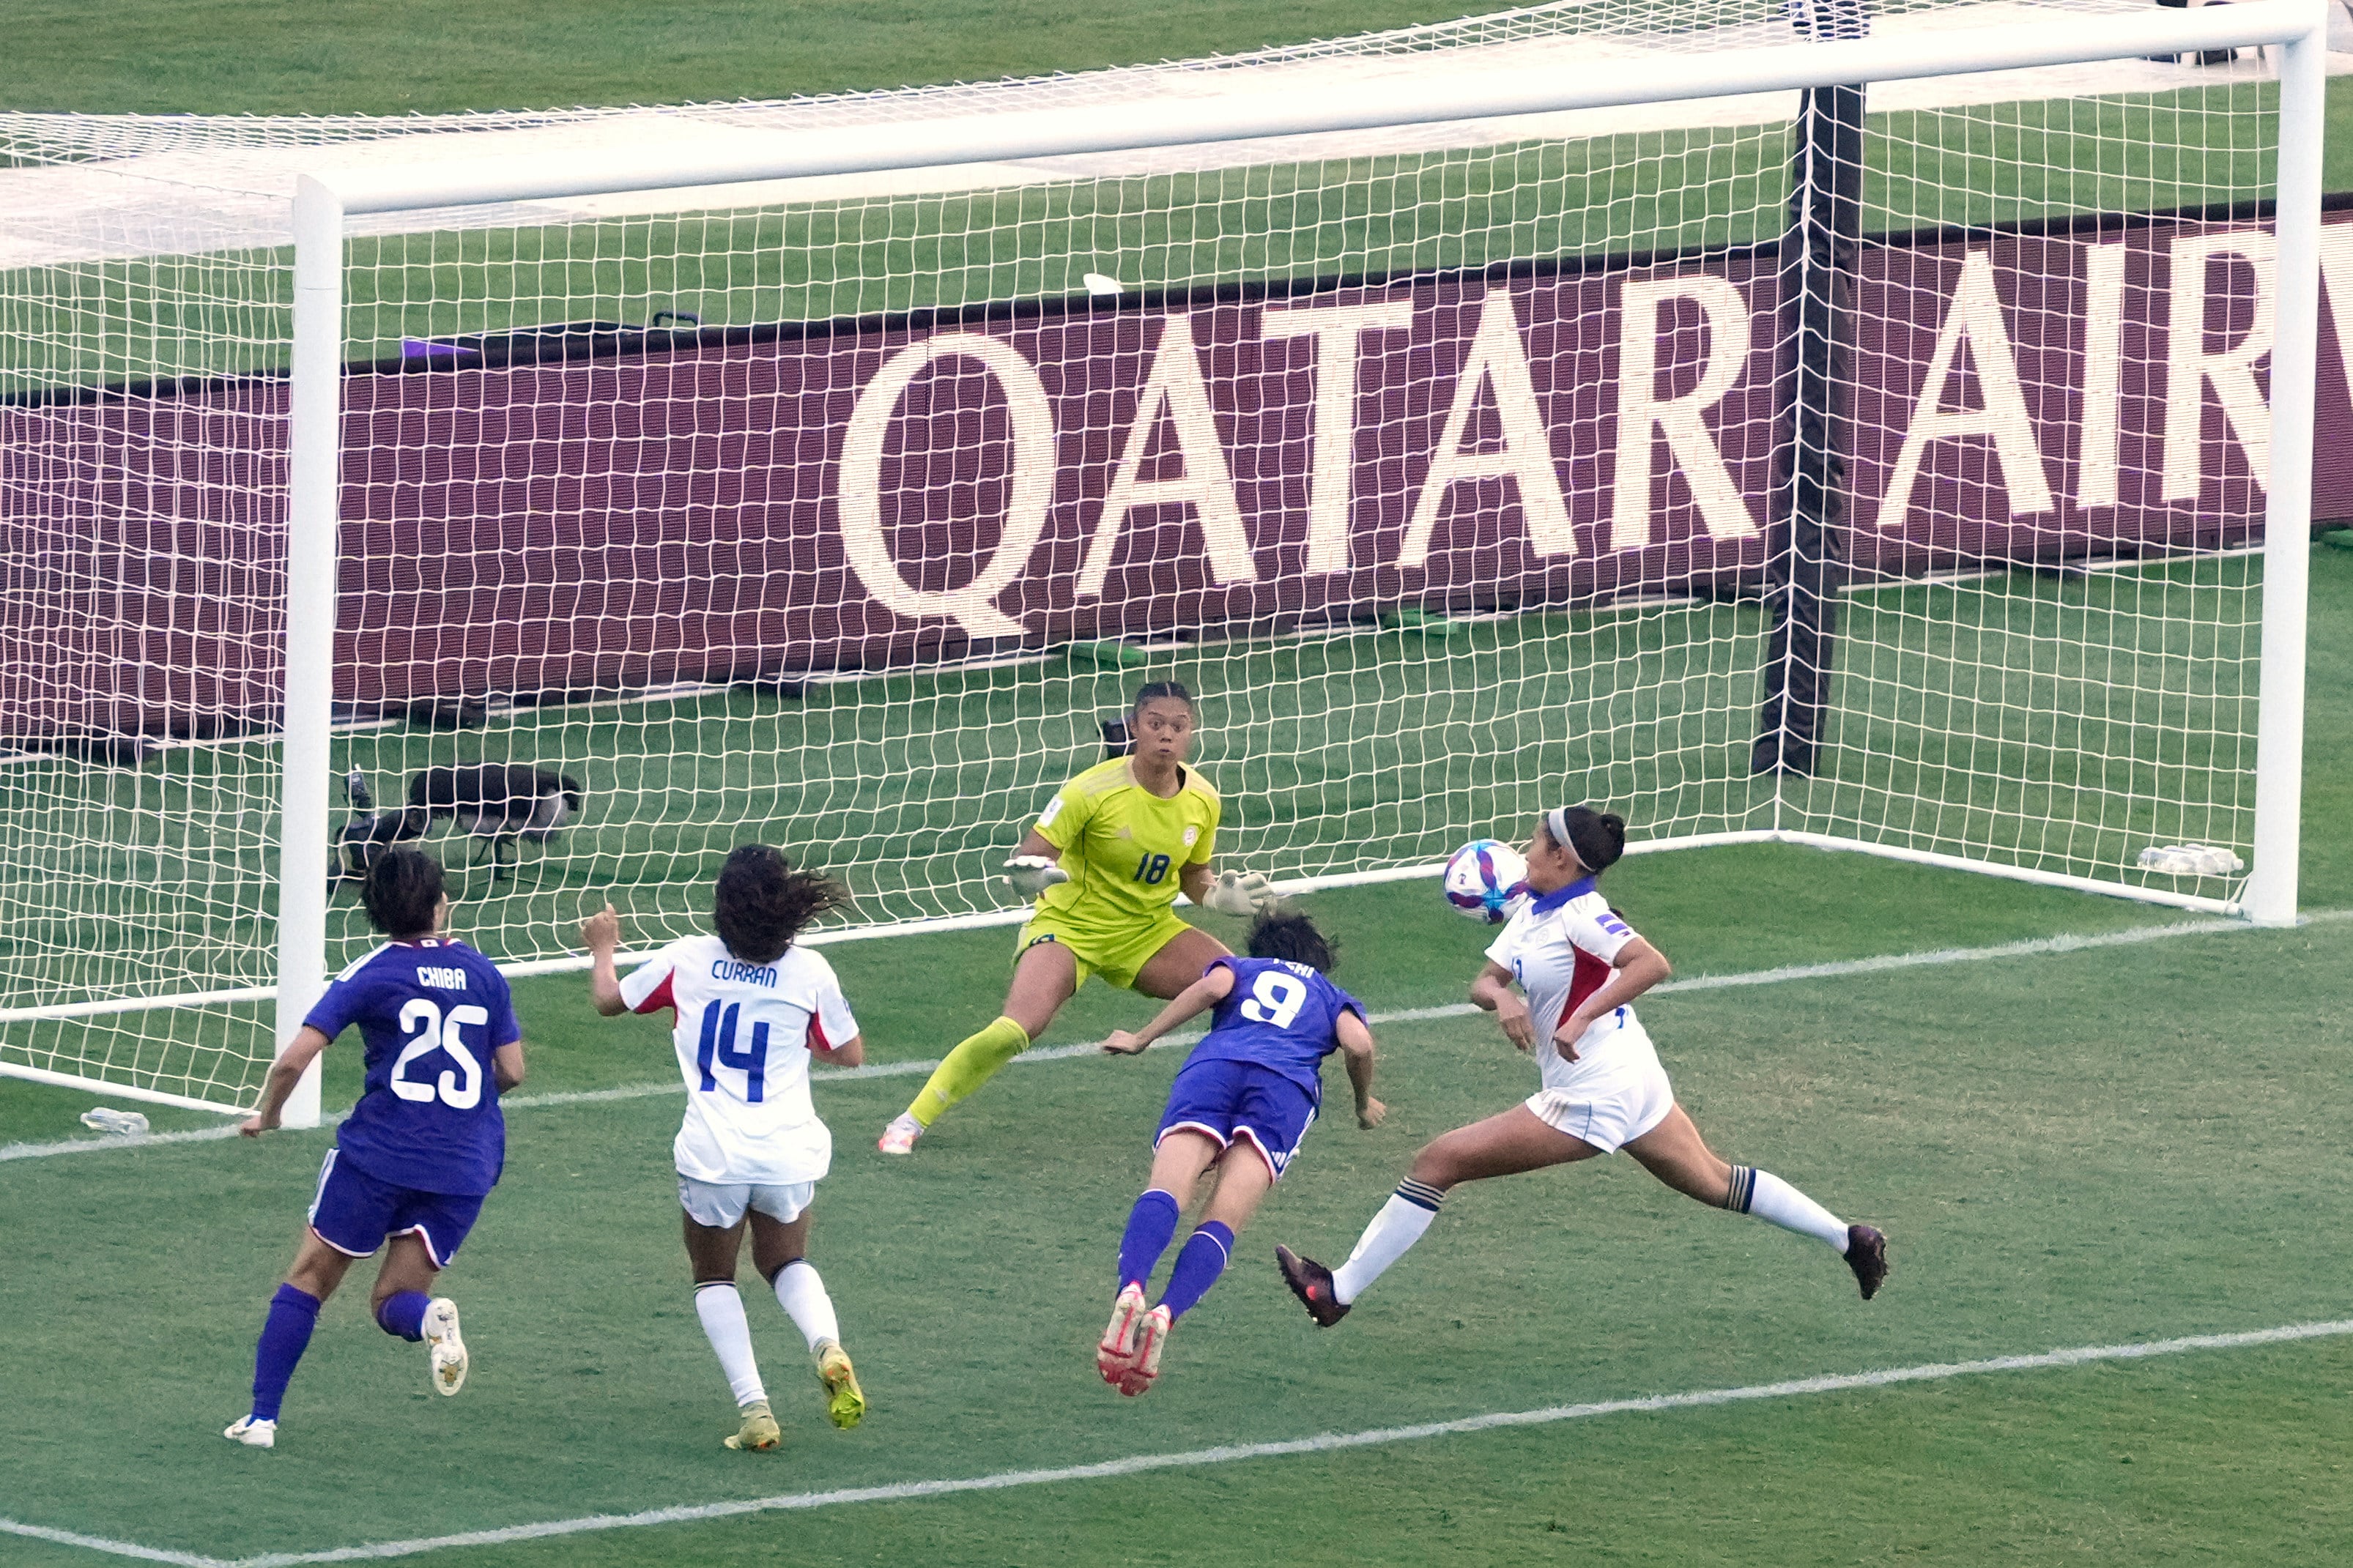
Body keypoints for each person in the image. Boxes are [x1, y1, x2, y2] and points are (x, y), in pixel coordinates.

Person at [1275, 806, 1887, 1325]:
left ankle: (1338, 1292)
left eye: (1536, 842)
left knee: (1439, 1160)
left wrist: (1579, 1017)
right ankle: (1849, 1237)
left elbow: (1651, 963)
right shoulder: (1534, 909)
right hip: (1632, 1075)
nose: (1525, 850)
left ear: (1563, 858)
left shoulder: (1583, 913)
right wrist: (1505, 998)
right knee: (1715, 1180)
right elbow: (1483, 982)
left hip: (1598, 1088)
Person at [878, 680, 1278, 1155]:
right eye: (1155, 724)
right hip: (1070, 928)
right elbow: (1030, 858)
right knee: (1017, 1027)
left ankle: (1231, 1119)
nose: (1166, 735)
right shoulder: (1090, 790)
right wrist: (1029, 876)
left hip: (1147, 932)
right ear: (1135, 728)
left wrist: (1215, 897)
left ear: (1192, 732)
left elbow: (1194, 875)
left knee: (1243, 989)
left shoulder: (1204, 799)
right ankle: (909, 1120)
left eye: (1179, 725)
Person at [225, 850, 524, 1449]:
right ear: (442, 903)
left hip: (379, 1157)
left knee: (310, 1278)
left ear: (374, 913)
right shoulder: (484, 971)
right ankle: (429, 1319)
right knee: (393, 1300)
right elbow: (512, 1070)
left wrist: (271, 1115)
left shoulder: (373, 970)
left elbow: (292, 1059)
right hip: (465, 1165)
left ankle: (261, 1418)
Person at [582, 844, 868, 1452]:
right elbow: (850, 1053)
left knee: (714, 1275)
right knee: (787, 1262)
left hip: (713, 1154)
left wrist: (603, 945)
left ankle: (756, 1410)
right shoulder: (811, 973)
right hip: (788, 1150)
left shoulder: (688, 960)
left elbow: (609, 999)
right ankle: (826, 1343)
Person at [1094, 907, 1382, 1396]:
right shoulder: (1333, 996)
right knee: (1222, 1218)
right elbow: (1359, 1044)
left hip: (1216, 1068)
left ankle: (1133, 1288)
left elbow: (1211, 989)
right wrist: (1362, 1102)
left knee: (1167, 1188)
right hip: (1284, 1092)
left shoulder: (1244, 969)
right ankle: (1167, 1313)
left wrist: (1142, 1038)